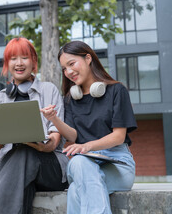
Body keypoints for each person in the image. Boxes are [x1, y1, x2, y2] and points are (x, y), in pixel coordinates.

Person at [41, 40, 137, 214]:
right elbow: (72, 136)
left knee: (75, 191)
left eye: (71, 64)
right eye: (64, 68)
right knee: (80, 163)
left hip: (118, 164)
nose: (68, 72)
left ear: (88, 58)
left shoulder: (117, 91)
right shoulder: (70, 99)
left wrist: (87, 146)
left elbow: (119, 136)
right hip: (83, 163)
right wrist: (54, 119)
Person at [0, 37, 73, 214]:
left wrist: (37, 144)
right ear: (7, 64)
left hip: (50, 168)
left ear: (33, 62)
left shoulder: (49, 90)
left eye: (24, 57)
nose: (19, 63)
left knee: (24, 151)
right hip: (14, 169)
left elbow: (55, 142)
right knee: (22, 176)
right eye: (13, 58)